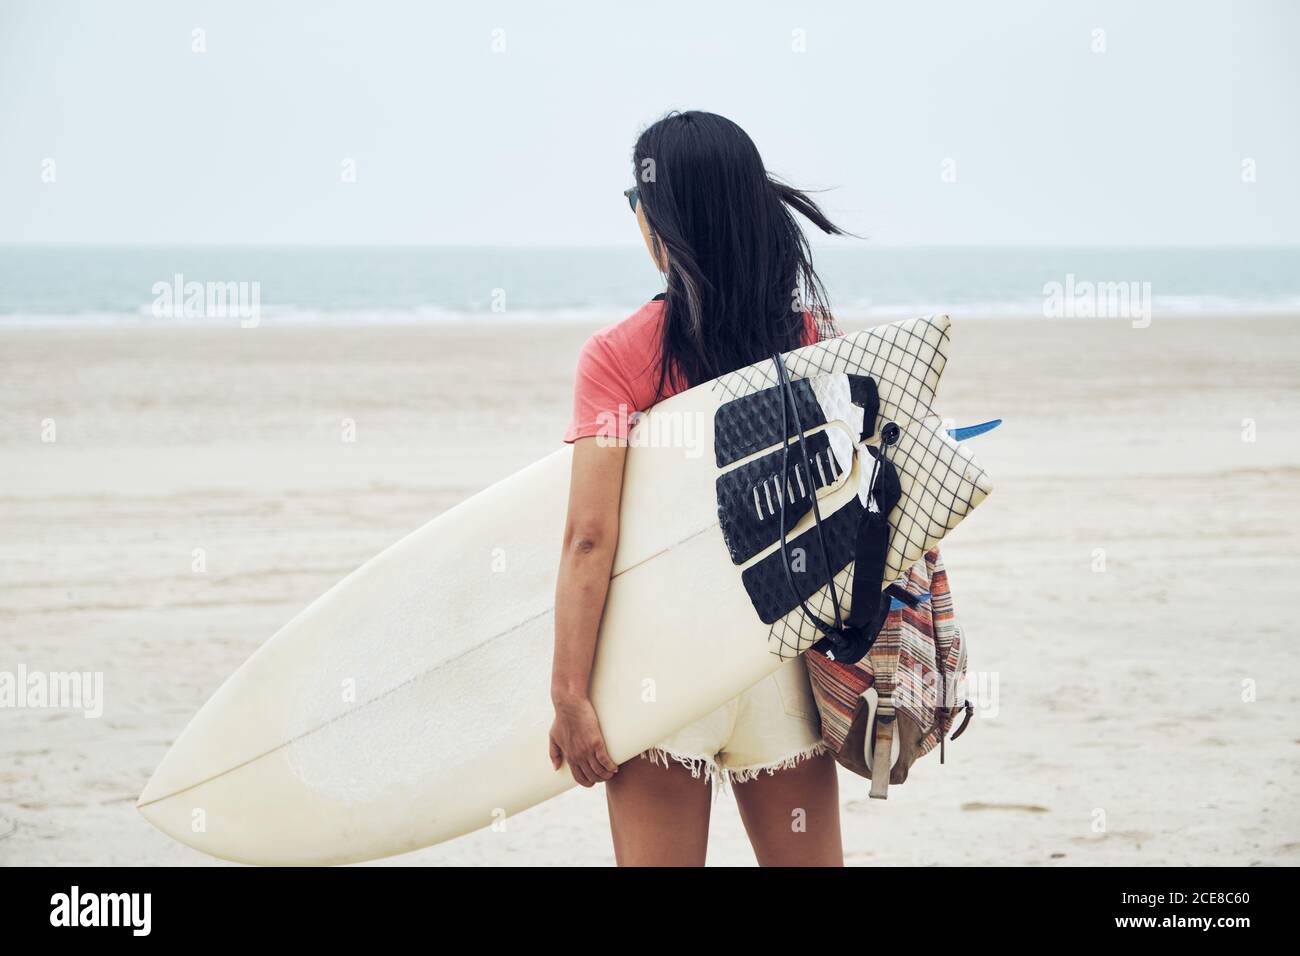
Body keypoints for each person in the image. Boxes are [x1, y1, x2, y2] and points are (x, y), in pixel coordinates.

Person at [549, 111, 849, 866]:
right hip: (779, 662)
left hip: (663, 673)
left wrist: (569, 694)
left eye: (636, 200)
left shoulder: (620, 357)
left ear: (663, 220)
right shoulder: (814, 337)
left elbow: (591, 538)